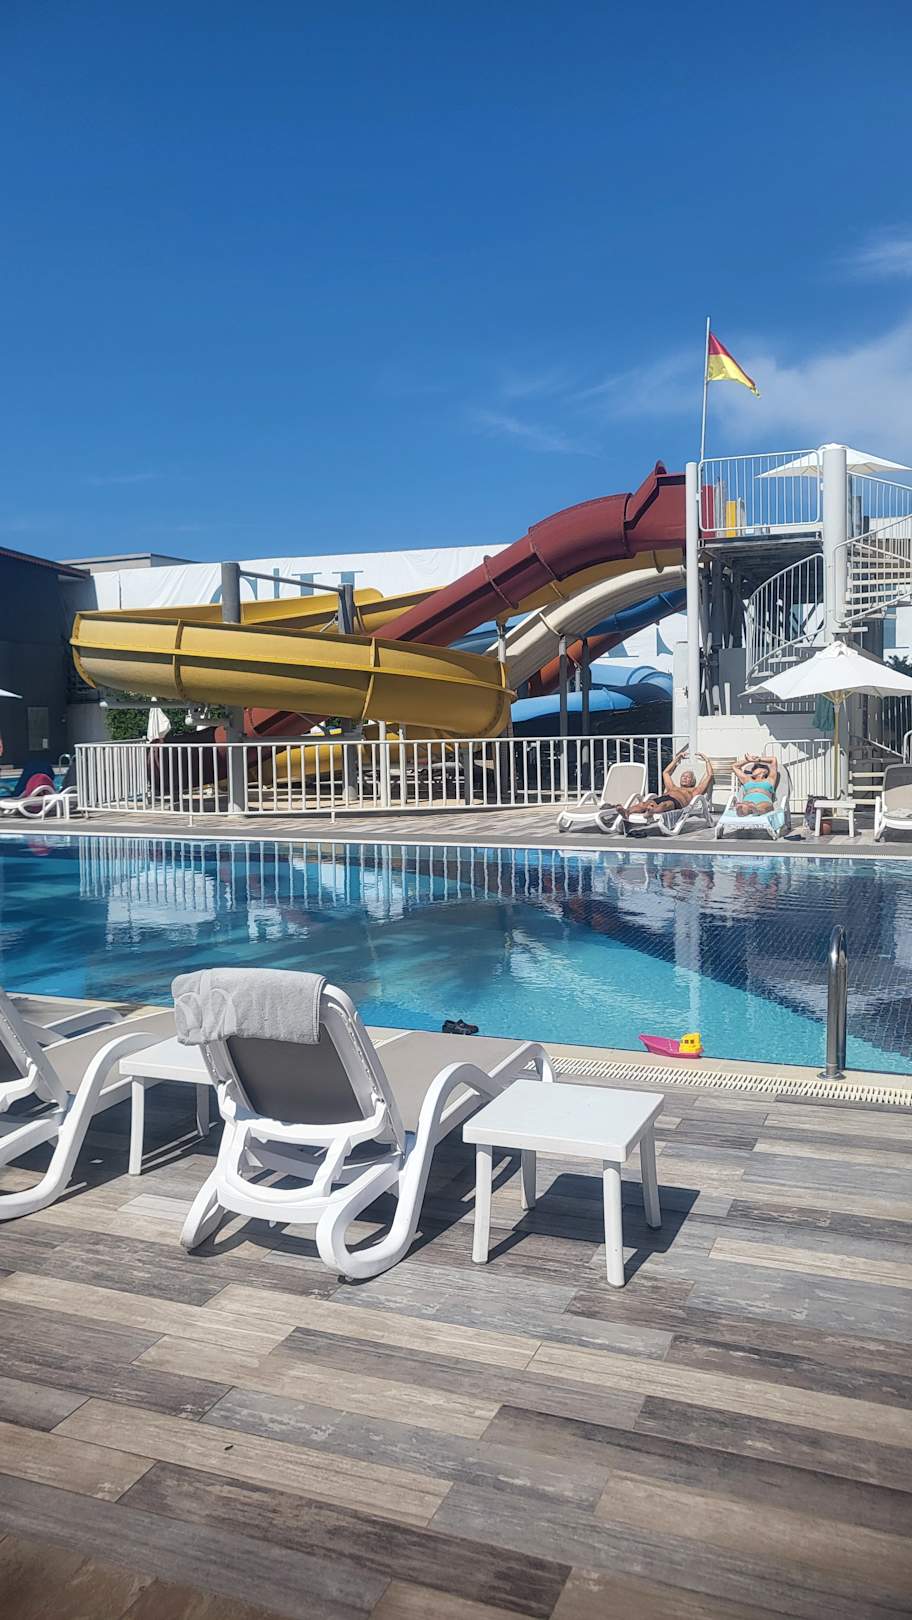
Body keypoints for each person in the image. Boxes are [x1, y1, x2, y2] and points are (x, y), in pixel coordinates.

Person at [613, 748, 714, 823]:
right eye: (683, 776)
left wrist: (707, 761)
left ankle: (651, 811)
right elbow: (665, 772)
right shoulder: (672, 787)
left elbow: (710, 775)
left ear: (693, 781)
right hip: (663, 797)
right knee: (644, 804)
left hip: (676, 803)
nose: (684, 778)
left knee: (665, 805)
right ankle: (627, 811)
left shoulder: (694, 791)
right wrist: (677, 759)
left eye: (688, 777)